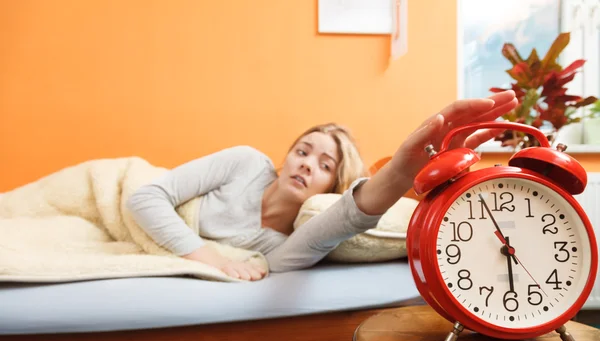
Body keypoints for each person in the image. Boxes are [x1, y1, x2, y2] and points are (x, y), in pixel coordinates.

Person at [127, 90, 518, 281]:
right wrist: (210, 259)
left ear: (331, 185)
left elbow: (346, 219)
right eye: (302, 151)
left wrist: (400, 172)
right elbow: (145, 195)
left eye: (324, 164)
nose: (306, 164)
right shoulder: (245, 162)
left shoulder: (279, 249)